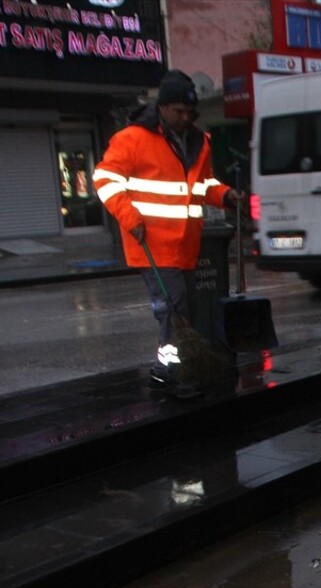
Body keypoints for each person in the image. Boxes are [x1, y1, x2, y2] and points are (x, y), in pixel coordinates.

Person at [93, 69, 243, 397]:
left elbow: (203, 185)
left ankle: (167, 371)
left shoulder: (200, 142)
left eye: (191, 112)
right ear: (161, 107)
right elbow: (104, 180)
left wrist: (225, 195)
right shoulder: (132, 139)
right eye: (179, 111)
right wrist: (130, 219)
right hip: (152, 242)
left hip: (186, 245)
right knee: (173, 310)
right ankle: (170, 373)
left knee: (180, 309)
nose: (185, 118)